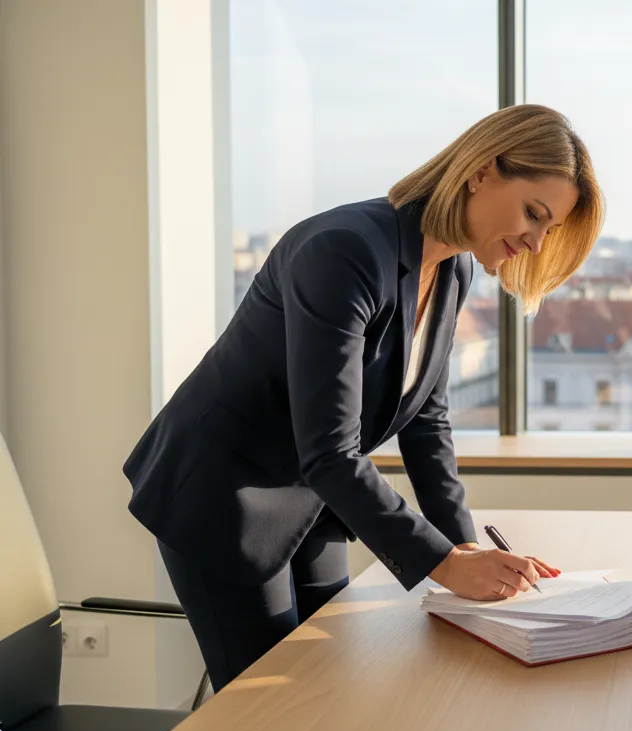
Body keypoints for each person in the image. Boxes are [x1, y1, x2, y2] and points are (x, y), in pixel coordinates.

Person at [123, 104, 603, 691]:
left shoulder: (453, 271)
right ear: (482, 171)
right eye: (534, 214)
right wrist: (447, 566)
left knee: (332, 684)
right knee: (268, 705)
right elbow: (331, 451)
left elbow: (427, 421)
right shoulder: (345, 251)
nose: (535, 241)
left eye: (549, 229)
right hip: (225, 495)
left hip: (312, 497)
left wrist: (463, 545)